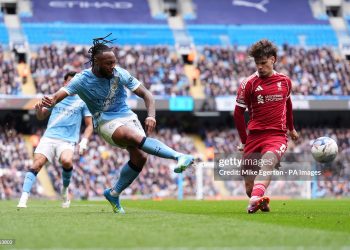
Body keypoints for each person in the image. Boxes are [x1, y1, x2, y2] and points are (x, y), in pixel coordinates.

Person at [40, 34, 194, 214]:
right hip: (104, 120)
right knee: (131, 136)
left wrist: (151, 116)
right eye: (108, 63)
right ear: (96, 62)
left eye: (114, 62)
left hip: (126, 116)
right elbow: (59, 95)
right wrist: (51, 99)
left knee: (140, 158)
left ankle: (114, 193)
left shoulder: (120, 73)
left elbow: (147, 95)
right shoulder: (81, 80)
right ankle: (178, 156)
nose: (113, 66)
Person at [233, 39, 299, 213]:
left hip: (276, 135)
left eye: (263, 63)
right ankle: (257, 198)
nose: (260, 67)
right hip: (254, 136)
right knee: (248, 185)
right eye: (257, 64)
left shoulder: (285, 82)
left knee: (268, 161)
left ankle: (255, 199)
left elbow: (288, 104)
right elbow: (238, 113)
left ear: (273, 59)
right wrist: (245, 141)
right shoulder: (248, 84)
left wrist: (291, 128)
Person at [17, 72, 93, 208]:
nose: (73, 85)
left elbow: (89, 125)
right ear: (65, 83)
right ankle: (23, 198)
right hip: (49, 137)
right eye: (70, 82)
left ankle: (64, 190)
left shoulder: (83, 102)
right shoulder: (56, 97)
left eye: (76, 82)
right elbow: (41, 116)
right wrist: (39, 110)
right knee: (36, 164)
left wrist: (84, 141)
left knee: (67, 161)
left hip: (68, 140)